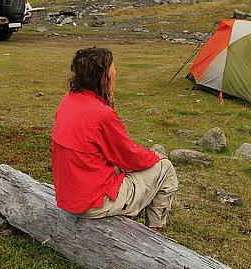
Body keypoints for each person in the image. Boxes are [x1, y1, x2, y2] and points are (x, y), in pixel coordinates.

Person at [51, 46, 178, 230]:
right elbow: (129, 156)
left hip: (68, 195)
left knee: (124, 166)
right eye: (113, 69)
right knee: (165, 169)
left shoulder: (68, 100)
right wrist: (155, 158)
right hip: (92, 202)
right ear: (104, 77)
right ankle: (155, 234)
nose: (116, 73)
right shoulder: (102, 115)